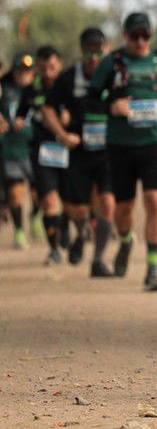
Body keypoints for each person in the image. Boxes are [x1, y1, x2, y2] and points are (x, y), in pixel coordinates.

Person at [88, 12, 157, 292]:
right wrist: (112, 107)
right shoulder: (113, 63)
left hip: (153, 142)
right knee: (124, 209)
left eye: (146, 36)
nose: (141, 41)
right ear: (126, 36)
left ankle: (152, 271)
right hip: (120, 145)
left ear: (151, 36)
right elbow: (92, 97)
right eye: (134, 36)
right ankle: (126, 241)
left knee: (154, 201)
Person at [41, 27, 115, 276]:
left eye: (98, 50)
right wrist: (62, 134)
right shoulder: (69, 78)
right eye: (89, 51)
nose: (94, 57)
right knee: (79, 210)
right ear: (82, 50)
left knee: (106, 202)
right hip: (78, 153)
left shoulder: (115, 76)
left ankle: (98, 260)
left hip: (107, 152)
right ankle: (81, 232)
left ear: (105, 50)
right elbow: (48, 109)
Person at [17, 45, 66, 265]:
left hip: (69, 150)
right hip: (42, 151)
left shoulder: (68, 86)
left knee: (71, 202)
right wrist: (17, 121)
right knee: (48, 199)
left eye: (52, 66)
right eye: (44, 67)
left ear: (60, 65)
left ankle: (69, 231)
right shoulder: (31, 90)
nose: (48, 71)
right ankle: (54, 249)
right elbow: (21, 113)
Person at [0, 52, 36, 249]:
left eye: (28, 71)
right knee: (15, 193)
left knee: (41, 195)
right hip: (13, 149)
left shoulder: (39, 89)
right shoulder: (4, 89)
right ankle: (20, 230)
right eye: (20, 70)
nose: (24, 74)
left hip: (37, 148)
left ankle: (37, 216)